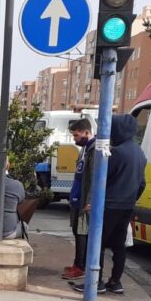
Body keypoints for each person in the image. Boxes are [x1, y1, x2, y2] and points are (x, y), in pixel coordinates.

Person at [73, 114, 145, 295]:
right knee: (119, 245)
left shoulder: (117, 152)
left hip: (109, 205)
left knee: (96, 242)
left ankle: (95, 283)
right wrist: (131, 199)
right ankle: (116, 281)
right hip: (127, 206)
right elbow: (142, 183)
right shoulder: (139, 152)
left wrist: (94, 202)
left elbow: (101, 179)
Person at [63, 119, 96, 281]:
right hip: (77, 198)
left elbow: (95, 178)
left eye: (76, 135)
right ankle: (78, 264)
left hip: (85, 201)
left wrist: (90, 200)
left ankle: (81, 267)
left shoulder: (94, 150)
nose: (74, 139)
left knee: (82, 233)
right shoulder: (84, 150)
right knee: (77, 232)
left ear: (87, 133)